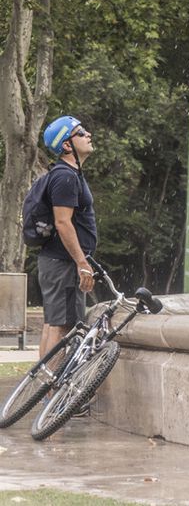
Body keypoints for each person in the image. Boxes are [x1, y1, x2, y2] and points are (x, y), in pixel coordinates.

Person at [38, 116, 97, 366]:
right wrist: (82, 263)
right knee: (61, 328)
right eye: (81, 132)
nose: (88, 134)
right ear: (66, 145)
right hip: (63, 263)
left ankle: (46, 392)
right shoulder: (65, 177)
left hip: (58, 262)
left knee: (53, 324)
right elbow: (63, 222)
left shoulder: (70, 174)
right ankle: (53, 394)